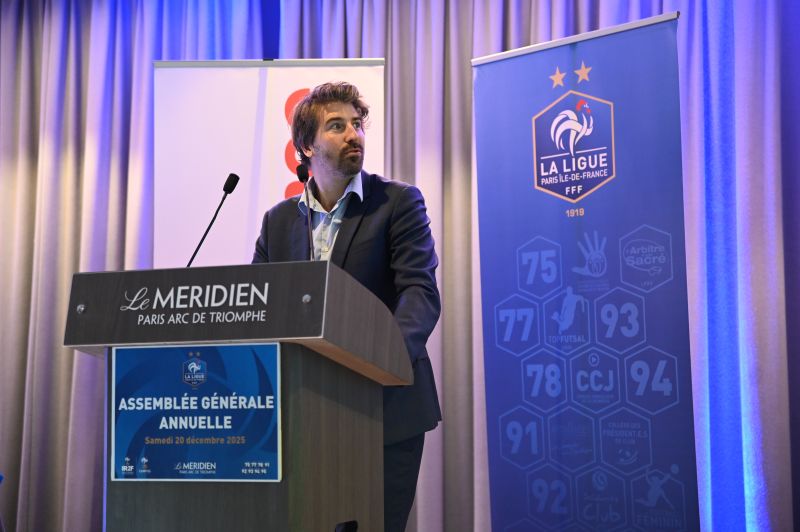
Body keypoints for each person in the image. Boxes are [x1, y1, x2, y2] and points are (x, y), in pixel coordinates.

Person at [252, 81, 441, 532]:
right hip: (303, 418)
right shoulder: (278, 222)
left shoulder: (396, 203)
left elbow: (420, 293)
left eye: (357, 124)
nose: (354, 134)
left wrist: (378, 362)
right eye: (337, 126)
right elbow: (259, 308)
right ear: (306, 146)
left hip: (384, 411)